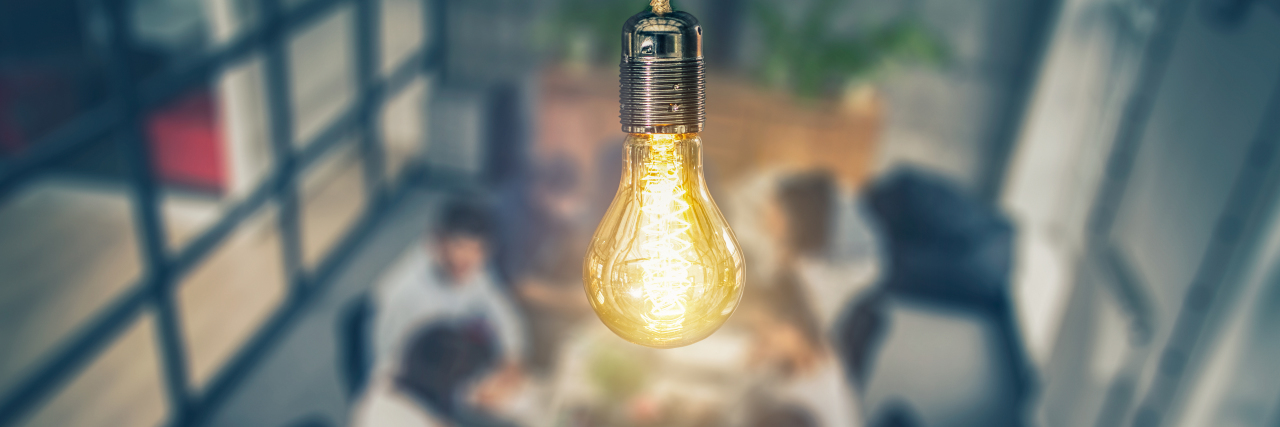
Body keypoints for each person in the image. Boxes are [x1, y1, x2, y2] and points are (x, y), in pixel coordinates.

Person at [351, 197, 531, 426]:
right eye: (459, 247)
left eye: (478, 250)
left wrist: (512, 358)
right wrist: (470, 395)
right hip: (406, 400)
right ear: (436, 242)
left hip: (442, 386)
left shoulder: (470, 269)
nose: (468, 259)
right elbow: (395, 371)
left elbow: (501, 312)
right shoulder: (403, 296)